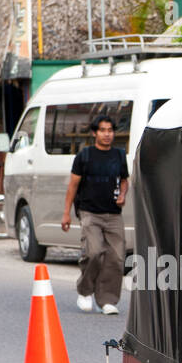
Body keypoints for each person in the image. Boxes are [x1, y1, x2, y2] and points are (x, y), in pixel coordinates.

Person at [62, 115, 128, 315]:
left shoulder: (118, 155)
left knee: (116, 258)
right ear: (94, 133)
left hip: (113, 214)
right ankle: (85, 291)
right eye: (103, 130)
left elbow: (124, 180)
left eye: (110, 130)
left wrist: (123, 195)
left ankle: (107, 300)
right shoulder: (85, 156)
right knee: (94, 252)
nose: (107, 134)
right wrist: (66, 214)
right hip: (90, 212)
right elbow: (73, 186)